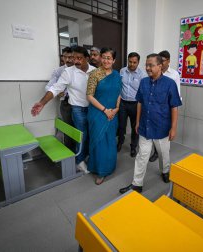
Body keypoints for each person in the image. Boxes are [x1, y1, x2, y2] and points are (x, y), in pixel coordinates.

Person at [119, 53, 182, 194]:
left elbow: (174, 107)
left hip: (162, 128)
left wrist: (173, 127)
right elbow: (140, 102)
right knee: (142, 155)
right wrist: (137, 122)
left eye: (151, 65)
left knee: (163, 153)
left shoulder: (170, 84)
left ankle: (165, 171)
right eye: (146, 65)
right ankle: (137, 184)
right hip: (145, 126)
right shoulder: (144, 82)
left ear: (160, 66)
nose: (147, 68)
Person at [31, 46, 95, 173]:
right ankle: (79, 161)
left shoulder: (94, 71)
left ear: (87, 58)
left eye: (79, 58)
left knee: (91, 134)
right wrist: (42, 103)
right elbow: (55, 88)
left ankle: (87, 157)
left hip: (93, 109)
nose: (76, 61)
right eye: (74, 58)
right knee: (82, 135)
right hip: (78, 109)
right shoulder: (69, 72)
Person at [86, 48, 122, 185]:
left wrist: (116, 108)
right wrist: (105, 110)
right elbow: (89, 95)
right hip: (97, 113)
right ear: (100, 58)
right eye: (104, 57)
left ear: (114, 60)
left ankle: (109, 166)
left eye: (109, 58)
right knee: (99, 141)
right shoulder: (95, 74)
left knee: (110, 141)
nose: (106, 60)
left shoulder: (117, 75)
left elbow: (119, 93)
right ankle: (100, 171)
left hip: (113, 113)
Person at [148, 50, 181, 162]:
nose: (161, 63)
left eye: (163, 60)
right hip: (156, 107)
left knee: (165, 134)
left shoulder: (174, 74)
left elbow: (177, 95)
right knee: (155, 133)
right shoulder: (153, 74)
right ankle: (156, 152)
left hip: (170, 106)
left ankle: (163, 157)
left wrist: (174, 126)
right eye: (160, 60)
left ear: (168, 61)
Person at [45, 47, 75, 150]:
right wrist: (58, 93)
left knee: (79, 128)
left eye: (70, 57)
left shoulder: (78, 69)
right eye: (65, 57)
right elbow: (48, 87)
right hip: (66, 103)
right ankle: (70, 152)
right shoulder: (59, 71)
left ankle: (80, 152)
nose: (68, 59)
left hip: (79, 103)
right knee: (68, 128)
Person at [117, 52, 147, 157]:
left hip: (135, 104)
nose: (132, 64)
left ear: (138, 62)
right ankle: (120, 142)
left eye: (134, 62)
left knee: (135, 127)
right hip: (123, 103)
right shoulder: (122, 71)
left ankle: (133, 147)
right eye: (130, 62)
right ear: (127, 60)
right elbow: (119, 86)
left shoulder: (143, 75)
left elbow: (143, 91)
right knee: (121, 125)